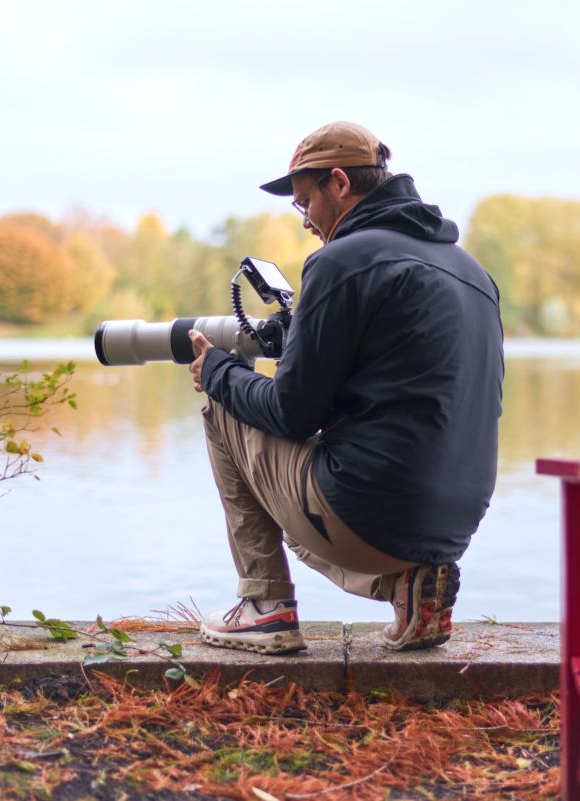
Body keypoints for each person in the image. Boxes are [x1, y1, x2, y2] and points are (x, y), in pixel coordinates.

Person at [187, 121, 503, 654]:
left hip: (369, 513)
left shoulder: (341, 261)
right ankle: (407, 586)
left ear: (339, 183)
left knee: (224, 407)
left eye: (305, 200)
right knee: (325, 455)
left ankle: (264, 605)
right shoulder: (470, 270)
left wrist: (218, 371)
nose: (305, 219)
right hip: (456, 523)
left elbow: (291, 414)